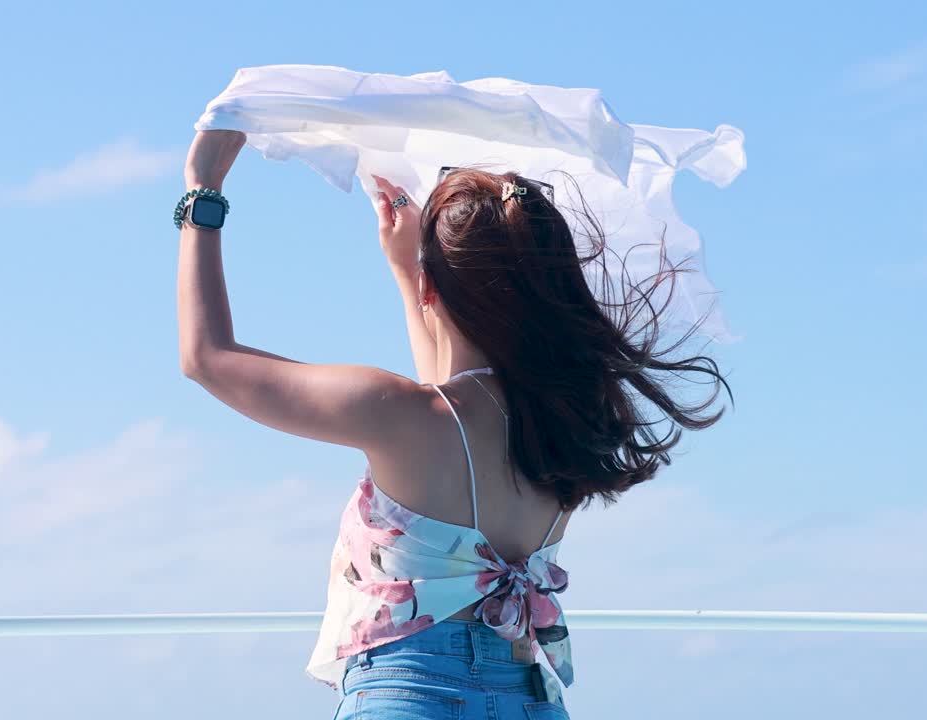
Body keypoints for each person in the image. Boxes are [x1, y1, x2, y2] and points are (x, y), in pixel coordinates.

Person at [177, 129, 733, 719]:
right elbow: (452, 394)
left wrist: (202, 192)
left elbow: (206, 358)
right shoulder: (563, 424)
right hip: (529, 699)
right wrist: (407, 272)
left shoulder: (407, 417)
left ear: (433, 289)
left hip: (408, 695)